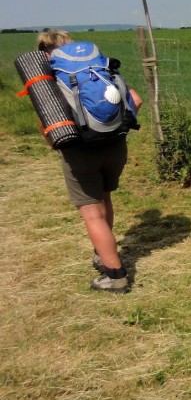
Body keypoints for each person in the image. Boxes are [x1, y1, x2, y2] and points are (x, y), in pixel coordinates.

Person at [36, 29, 142, 293]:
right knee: (104, 197)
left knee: (91, 213)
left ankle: (115, 275)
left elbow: (46, 124)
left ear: (45, 53)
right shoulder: (100, 69)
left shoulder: (52, 80)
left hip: (80, 152)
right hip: (116, 145)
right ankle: (103, 253)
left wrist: (56, 144)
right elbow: (135, 101)